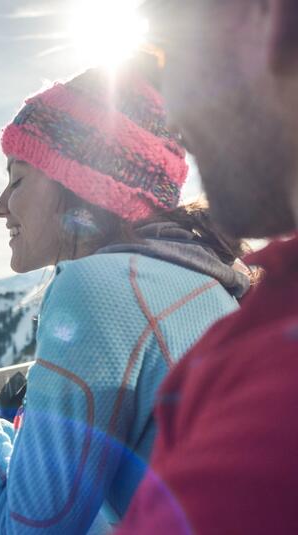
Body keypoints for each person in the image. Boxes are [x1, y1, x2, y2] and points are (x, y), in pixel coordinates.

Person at [0, 59, 249, 534]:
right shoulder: (190, 276)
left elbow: (22, 529)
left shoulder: (102, 287)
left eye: (18, 178)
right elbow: (53, 478)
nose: (0, 205)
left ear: (81, 182)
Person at [117, 1, 298, 534]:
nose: (173, 119)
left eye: (167, 52)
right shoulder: (266, 314)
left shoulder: (271, 407)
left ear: (259, 19)